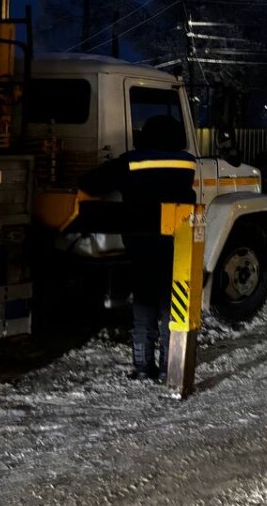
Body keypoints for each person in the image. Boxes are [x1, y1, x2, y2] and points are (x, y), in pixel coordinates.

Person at [78, 115, 197, 381]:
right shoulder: (187, 162)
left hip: (141, 243)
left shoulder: (132, 161)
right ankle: (170, 366)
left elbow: (91, 183)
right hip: (178, 243)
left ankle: (143, 367)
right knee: (172, 306)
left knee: (144, 304)